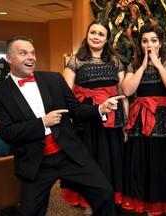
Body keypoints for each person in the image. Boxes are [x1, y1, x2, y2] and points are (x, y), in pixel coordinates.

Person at [0, 35, 125, 216]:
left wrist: (99, 109)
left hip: (69, 154)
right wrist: (42, 123)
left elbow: (76, 110)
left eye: (32, 53)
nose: (31, 57)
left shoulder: (54, 79)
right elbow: (8, 133)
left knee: (104, 192)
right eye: (23, 53)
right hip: (36, 162)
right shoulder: (0, 94)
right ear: (9, 58)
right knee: (29, 212)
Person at [61, 19, 128, 216]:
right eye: (93, 32)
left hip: (112, 121)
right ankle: (89, 202)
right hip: (86, 121)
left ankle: (110, 201)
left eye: (101, 34)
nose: (96, 37)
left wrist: (125, 125)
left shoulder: (115, 62)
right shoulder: (75, 60)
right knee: (89, 162)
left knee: (110, 162)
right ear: (87, 35)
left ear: (107, 40)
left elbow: (123, 96)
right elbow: (66, 95)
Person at [121, 23, 166, 216]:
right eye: (145, 41)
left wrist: (157, 64)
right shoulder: (133, 65)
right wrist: (142, 66)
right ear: (140, 44)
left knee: (165, 163)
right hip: (141, 118)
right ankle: (149, 204)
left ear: (160, 43)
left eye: (153, 41)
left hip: (164, 119)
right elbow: (128, 90)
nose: (149, 45)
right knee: (143, 164)